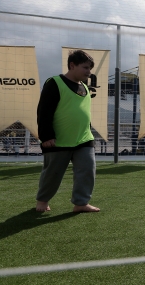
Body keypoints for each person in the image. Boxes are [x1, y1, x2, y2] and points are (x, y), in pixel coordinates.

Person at [35, 50, 100, 213]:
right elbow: (44, 111)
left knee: (87, 170)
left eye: (90, 68)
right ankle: (42, 201)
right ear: (72, 65)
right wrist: (46, 136)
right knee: (53, 173)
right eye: (85, 67)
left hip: (84, 138)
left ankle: (81, 203)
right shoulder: (54, 83)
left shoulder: (85, 87)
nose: (89, 72)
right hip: (58, 140)